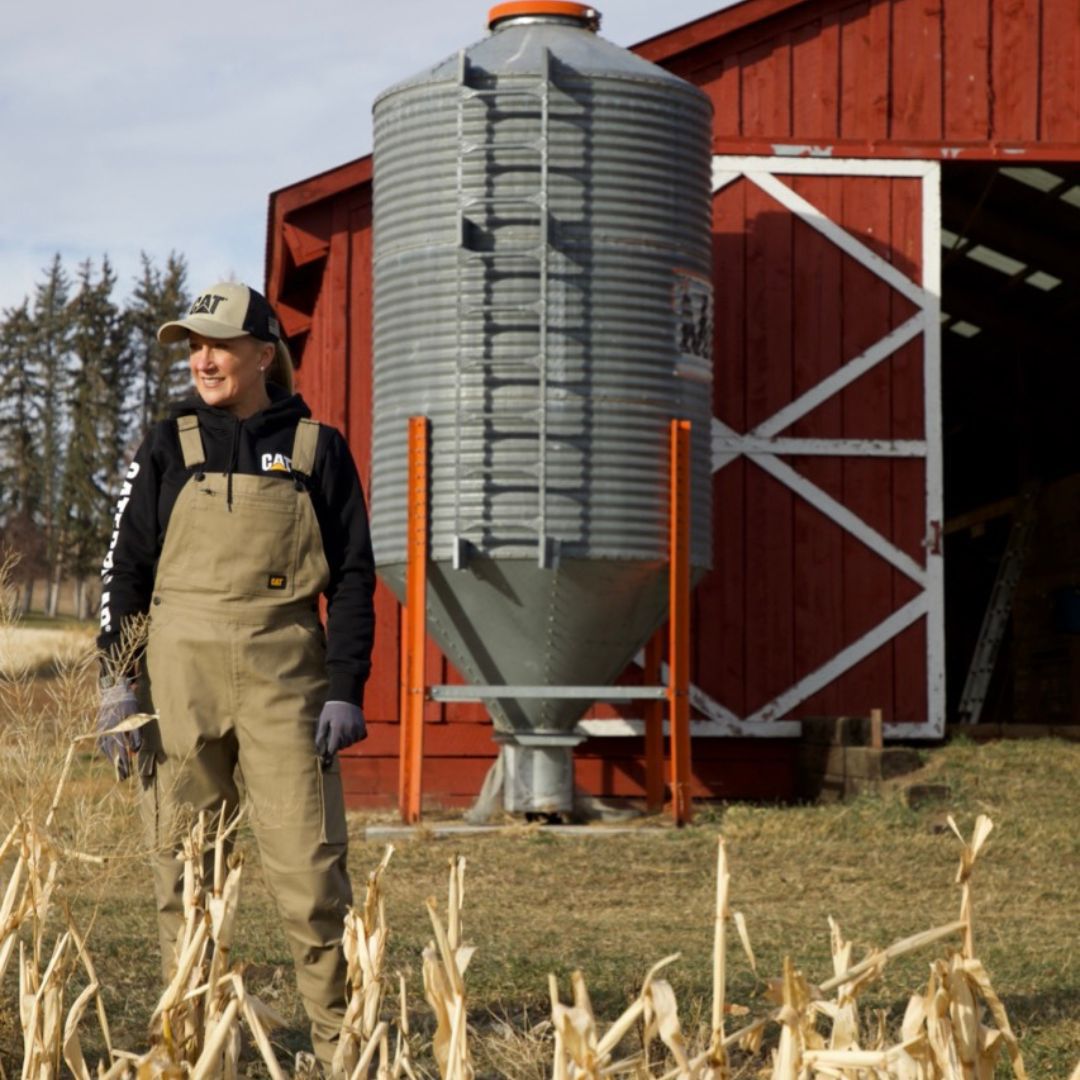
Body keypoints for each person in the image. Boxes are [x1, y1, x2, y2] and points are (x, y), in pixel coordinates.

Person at [95, 281, 375, 1066]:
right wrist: (117, 683)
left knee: (312, 878)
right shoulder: (167, 444)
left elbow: (355, 576)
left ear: (263, 353)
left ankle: (342, 1051)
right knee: (185, 875)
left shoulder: (318, 448)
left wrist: (346, 687)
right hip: (178, 678)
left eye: (219, 345)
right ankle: (191, 1048)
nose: (203, 360)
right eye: (193, 347)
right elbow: (125, 571)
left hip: (285, 675)